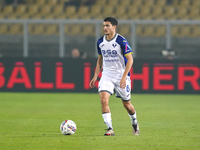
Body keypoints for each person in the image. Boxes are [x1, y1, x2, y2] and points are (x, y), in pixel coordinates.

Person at [89, 17, 140, 136]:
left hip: (121, 76)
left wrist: (123, 77)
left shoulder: (121, 41)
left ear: (114, 27)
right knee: (103, 99)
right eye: (104, 26)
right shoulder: (100, 42)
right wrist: (95, 75)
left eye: (107, 25)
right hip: (106, 75)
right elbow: (100, 60)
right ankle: (110, 128)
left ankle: (134, 121)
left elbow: (130, 60)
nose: (105, 28)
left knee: (127, 105)